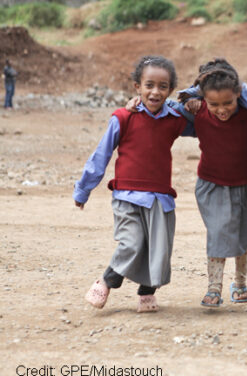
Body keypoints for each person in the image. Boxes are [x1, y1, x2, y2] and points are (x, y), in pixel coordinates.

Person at [77, 55, 190, 312]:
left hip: (160, 196)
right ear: (137, 87)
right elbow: (101, 155)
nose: (155, 92)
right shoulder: (123, 117)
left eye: (163, 86)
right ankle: (106, 280)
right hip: (126, 195)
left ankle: (146, 292)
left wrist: (190, 101)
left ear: (171, 90)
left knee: (159, 250)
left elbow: (205, 115)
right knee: (132, 243)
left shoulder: (174, 118)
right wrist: (84, 189)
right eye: (149, 85)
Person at [169, 59, 247, 308]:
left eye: (228, 103)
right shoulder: (197, 110)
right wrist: (191, 95)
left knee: (245, 234)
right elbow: (164, 107)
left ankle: (240, 283)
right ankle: (214, 287)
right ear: (203, 98)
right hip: (212, 184)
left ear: (239, 95)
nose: (222, 110)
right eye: (214, 104)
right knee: (219, 232)